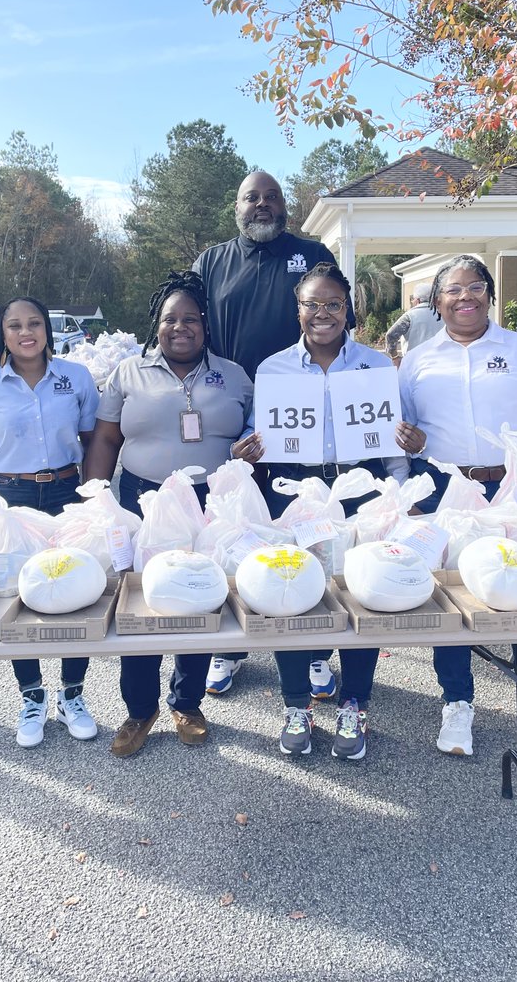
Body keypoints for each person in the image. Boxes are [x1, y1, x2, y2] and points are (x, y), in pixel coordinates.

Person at [398, 254, 517, 763]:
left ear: (490, 294)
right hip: (444, 490)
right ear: (436, 302)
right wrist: (409, 455)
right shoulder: (417, 360)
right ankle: (457, 701)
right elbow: (403, 435)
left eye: (475, 286)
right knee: (451, 600)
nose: (465, 297)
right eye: (452, 290)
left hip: (515, 491)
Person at [84, 271, 256, 759]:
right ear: (155, 326)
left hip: (209, 502)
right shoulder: (127, 373)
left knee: (198, 598)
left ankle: (187, 703)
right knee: (140, 603)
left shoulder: (235, 376)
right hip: (144, 499)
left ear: (205, 325)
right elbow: (106, 439)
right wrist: (96, 495)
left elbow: (261, 430)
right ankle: (140, 710)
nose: (180, 327)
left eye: (190, 319)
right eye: (169, 319)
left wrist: (253, 448)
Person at [250, 262, 409, 759]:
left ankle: (353, 706)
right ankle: (296, 703)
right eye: (312, 304)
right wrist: (245, 450)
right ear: (297, 311)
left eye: (333, 304)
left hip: (359, 484)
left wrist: (397, 494)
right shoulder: (272, 368)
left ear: (349, 310)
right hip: (295, 490)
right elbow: (259, 433)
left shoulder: (377, 365)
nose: (323, 314)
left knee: (363, 593)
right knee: (288, 591)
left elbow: (394, 445)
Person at [193, 170, 338, 696]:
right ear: (237, 206)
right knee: (235, 531)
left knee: (303, 531)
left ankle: (315, 651)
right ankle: (230, 647)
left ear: (284, 206)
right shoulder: (212, 261)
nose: (262, 205)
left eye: (272, 197)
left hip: (297, 409)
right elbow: (187, 320)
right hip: (232, 408)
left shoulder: (311, 251)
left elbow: (332, 314)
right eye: (251, 196)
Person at [0, 296, 100, 750]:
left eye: (35, 323)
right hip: (11, 496)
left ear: (47, 329)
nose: (26, 332)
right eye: (15, 325)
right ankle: (32, 696)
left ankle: (72, 695)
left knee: (75, 588)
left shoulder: (75, 378)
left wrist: (93, 497)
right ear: (2, 334)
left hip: (65, 489)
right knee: (19, 596)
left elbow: (93, 438)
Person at [384, 282, 441, 362]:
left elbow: (390, 335)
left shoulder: (409, 316)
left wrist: (395, 357)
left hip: (415, 362)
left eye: (412, 299)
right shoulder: (443, 315)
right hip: (440, 361)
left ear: (417, 300)